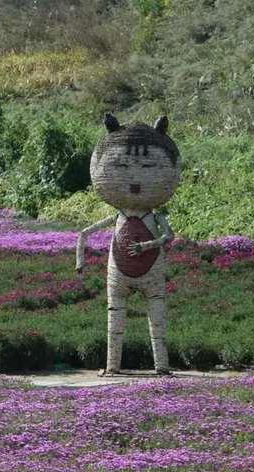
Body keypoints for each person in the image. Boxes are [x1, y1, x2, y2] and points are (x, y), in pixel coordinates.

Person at [75, 114, 181, 376]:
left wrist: (147, 246)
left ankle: (162, 366)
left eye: (147, 169)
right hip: (117, 271)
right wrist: (80, 257)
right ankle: (112, 365)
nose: (134, 180)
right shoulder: (119, 216)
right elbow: (84, 233)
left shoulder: (157, 217)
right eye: (122, 167)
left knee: (157, 318)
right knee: (114, 316)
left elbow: (169, 237)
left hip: (151, 269)